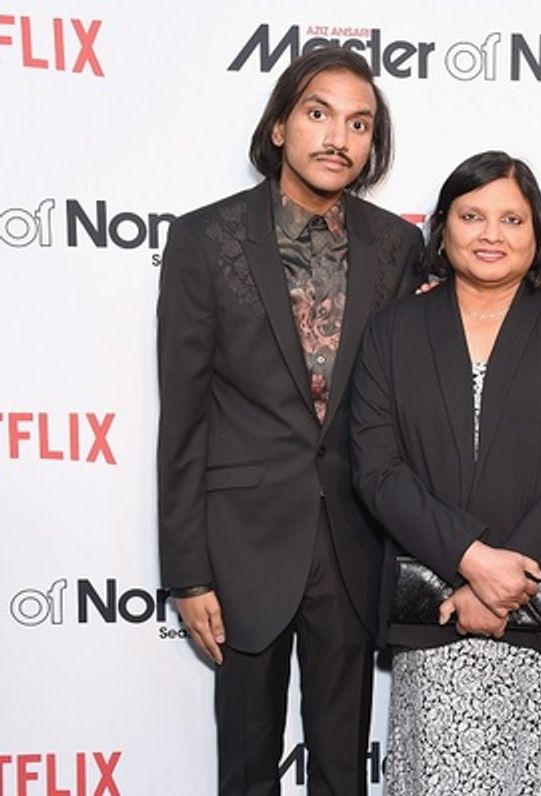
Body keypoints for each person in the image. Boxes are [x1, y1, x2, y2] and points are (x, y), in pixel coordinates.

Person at [156, 48, 423, 795]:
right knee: (246, 769)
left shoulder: (396, 246)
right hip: (240, 545)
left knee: (343, 770)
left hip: (353, 543)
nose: (339, 136)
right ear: (279, 126)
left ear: (374, 146)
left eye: (359, 123)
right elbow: (182, 415)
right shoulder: (204, 240)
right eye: (319, 113)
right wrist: (187, 570)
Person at [351, 150, 541, 795]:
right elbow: (378, 468)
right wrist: (471, 561)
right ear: (443, 229)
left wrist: (508, 575)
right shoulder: (394, 329)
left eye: (511, 219)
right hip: (437, 606)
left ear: (537, 233)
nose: (491, 235)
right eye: (472, 216)